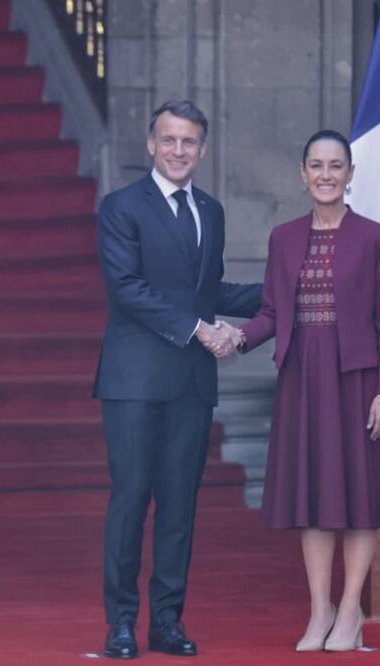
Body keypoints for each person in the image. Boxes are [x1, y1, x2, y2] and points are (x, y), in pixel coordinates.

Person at [93, 99, 262, 659]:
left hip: (190, 383)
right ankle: (121, 622)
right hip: (135, 382)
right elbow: (128, 289)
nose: (178, 150)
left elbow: (208, 291)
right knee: (131, 499)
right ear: (151, 144)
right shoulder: (121, 207)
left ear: (203, 149)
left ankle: (167, 621)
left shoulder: (210, 210)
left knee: (180, 507)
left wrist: (286, 288)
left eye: (189, 141)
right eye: (169, 139)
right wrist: (199, 329)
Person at [231, 129, 380, 652]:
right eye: (316, 165)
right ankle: (319, 610)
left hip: (357, 380)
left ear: (350, 175)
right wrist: (238, 337)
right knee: (314, 496)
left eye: (335, 166)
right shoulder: (283, 238)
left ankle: (350, 610)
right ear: (302, 174)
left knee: (358, 496)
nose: (325, 175)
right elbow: (271, 312)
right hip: (302, 381)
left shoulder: (374, 237)